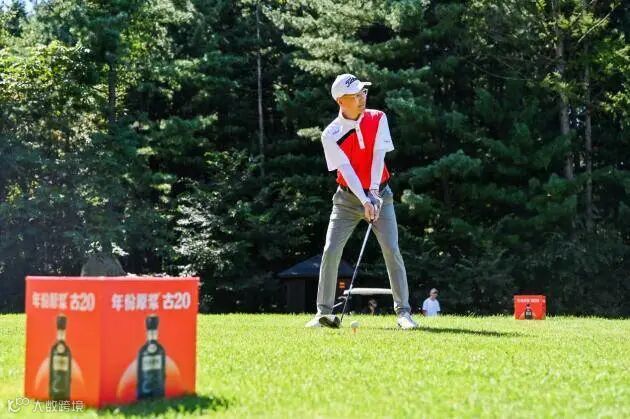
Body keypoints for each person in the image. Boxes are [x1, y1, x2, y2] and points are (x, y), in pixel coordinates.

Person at [305, 74, 418, 329]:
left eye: (363, 93)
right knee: (331, 250)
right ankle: (323, 313)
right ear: (340, 101)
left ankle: (404, 313)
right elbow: (346, 170)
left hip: (381, 194)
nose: (362, 98)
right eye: (355, 95)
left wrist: (374, 194)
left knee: (391, 249)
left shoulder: (378, 118)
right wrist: (364, 199)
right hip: (346, 199)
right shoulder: (331, 134)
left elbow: (379, 157)